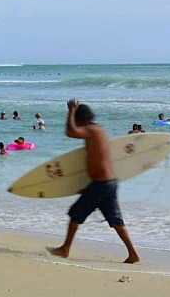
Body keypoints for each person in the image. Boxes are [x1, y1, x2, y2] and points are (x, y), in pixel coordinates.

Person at [48, 99, 140, 264]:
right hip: (109, 182)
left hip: (101, 183)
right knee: (115, 220)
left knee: (76, 213)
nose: (76, 123)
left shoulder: (91, 129)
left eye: (77, 120)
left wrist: (71, 111)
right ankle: (133, 254)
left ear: (81, 119)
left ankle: (65, 249)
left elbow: (71, 132)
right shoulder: (99, 130)